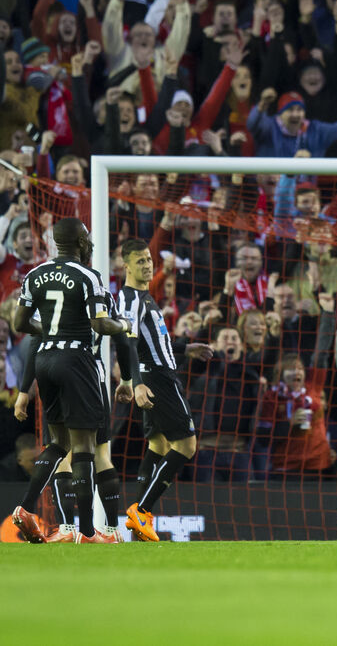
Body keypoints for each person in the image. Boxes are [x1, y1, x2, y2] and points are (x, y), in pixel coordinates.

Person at [11, 218, 131, 544]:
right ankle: (88, 532)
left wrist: (52, 332)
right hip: (77, 362)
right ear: (80, 241)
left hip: (45, 360)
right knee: (84, 448)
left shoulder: (34, 274)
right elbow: (101, 325)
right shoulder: (88, 276)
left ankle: (25, 508)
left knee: (57, 443)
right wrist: (124, 325)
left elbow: (20, 323)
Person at [116, 239, 214, 542]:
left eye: (148, 259)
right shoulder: (130, 298)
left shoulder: (144, 297)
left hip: (156, 373)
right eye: (140, 261)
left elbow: (154, 340)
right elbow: (128, 342)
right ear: (126, 266)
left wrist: (185, 347)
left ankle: (139, 521)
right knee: (186, 445)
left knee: (158, 445)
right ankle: (141, 511)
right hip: (157, 378)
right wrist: (136, 382)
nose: (147, 265)